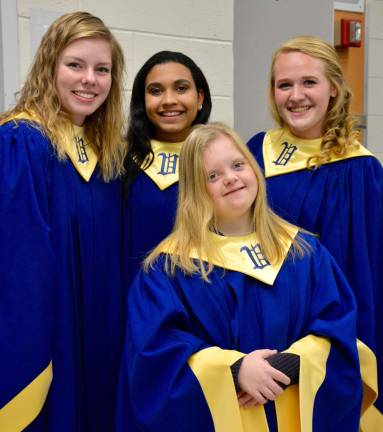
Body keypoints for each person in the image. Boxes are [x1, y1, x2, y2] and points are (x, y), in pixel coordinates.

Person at [116, 122, 376, 432]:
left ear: (253, 169)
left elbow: (339, 330)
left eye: (238, 165)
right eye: (212, 176)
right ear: (195, 191)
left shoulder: (304, 253)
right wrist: (234, 370)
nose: (230, 179)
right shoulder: (168, 269)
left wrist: (293, 366)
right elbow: (152, 357)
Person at [247, 35, 383, 428]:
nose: (295, 96)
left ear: (334, 89)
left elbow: (363, 273)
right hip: (254, 325)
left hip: (321, 333)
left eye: (309, 82)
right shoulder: (256, 152)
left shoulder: (360, 171)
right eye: (284, 84)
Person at [0, 12, 126, 431]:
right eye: (75, 65)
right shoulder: (23, 142)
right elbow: (20, 268)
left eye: (102, 69)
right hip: (48, 341)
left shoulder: (103, 153)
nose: (90, 79)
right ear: (49, 66)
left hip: (98, 337)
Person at [122, 50, 212, 287]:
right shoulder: (119, 161)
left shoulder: (220, 159)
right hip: (132, 291)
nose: (169, 100)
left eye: (181, 88)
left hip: (202, 292)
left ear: (200, 97)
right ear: (143, 100)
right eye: (155, 91)